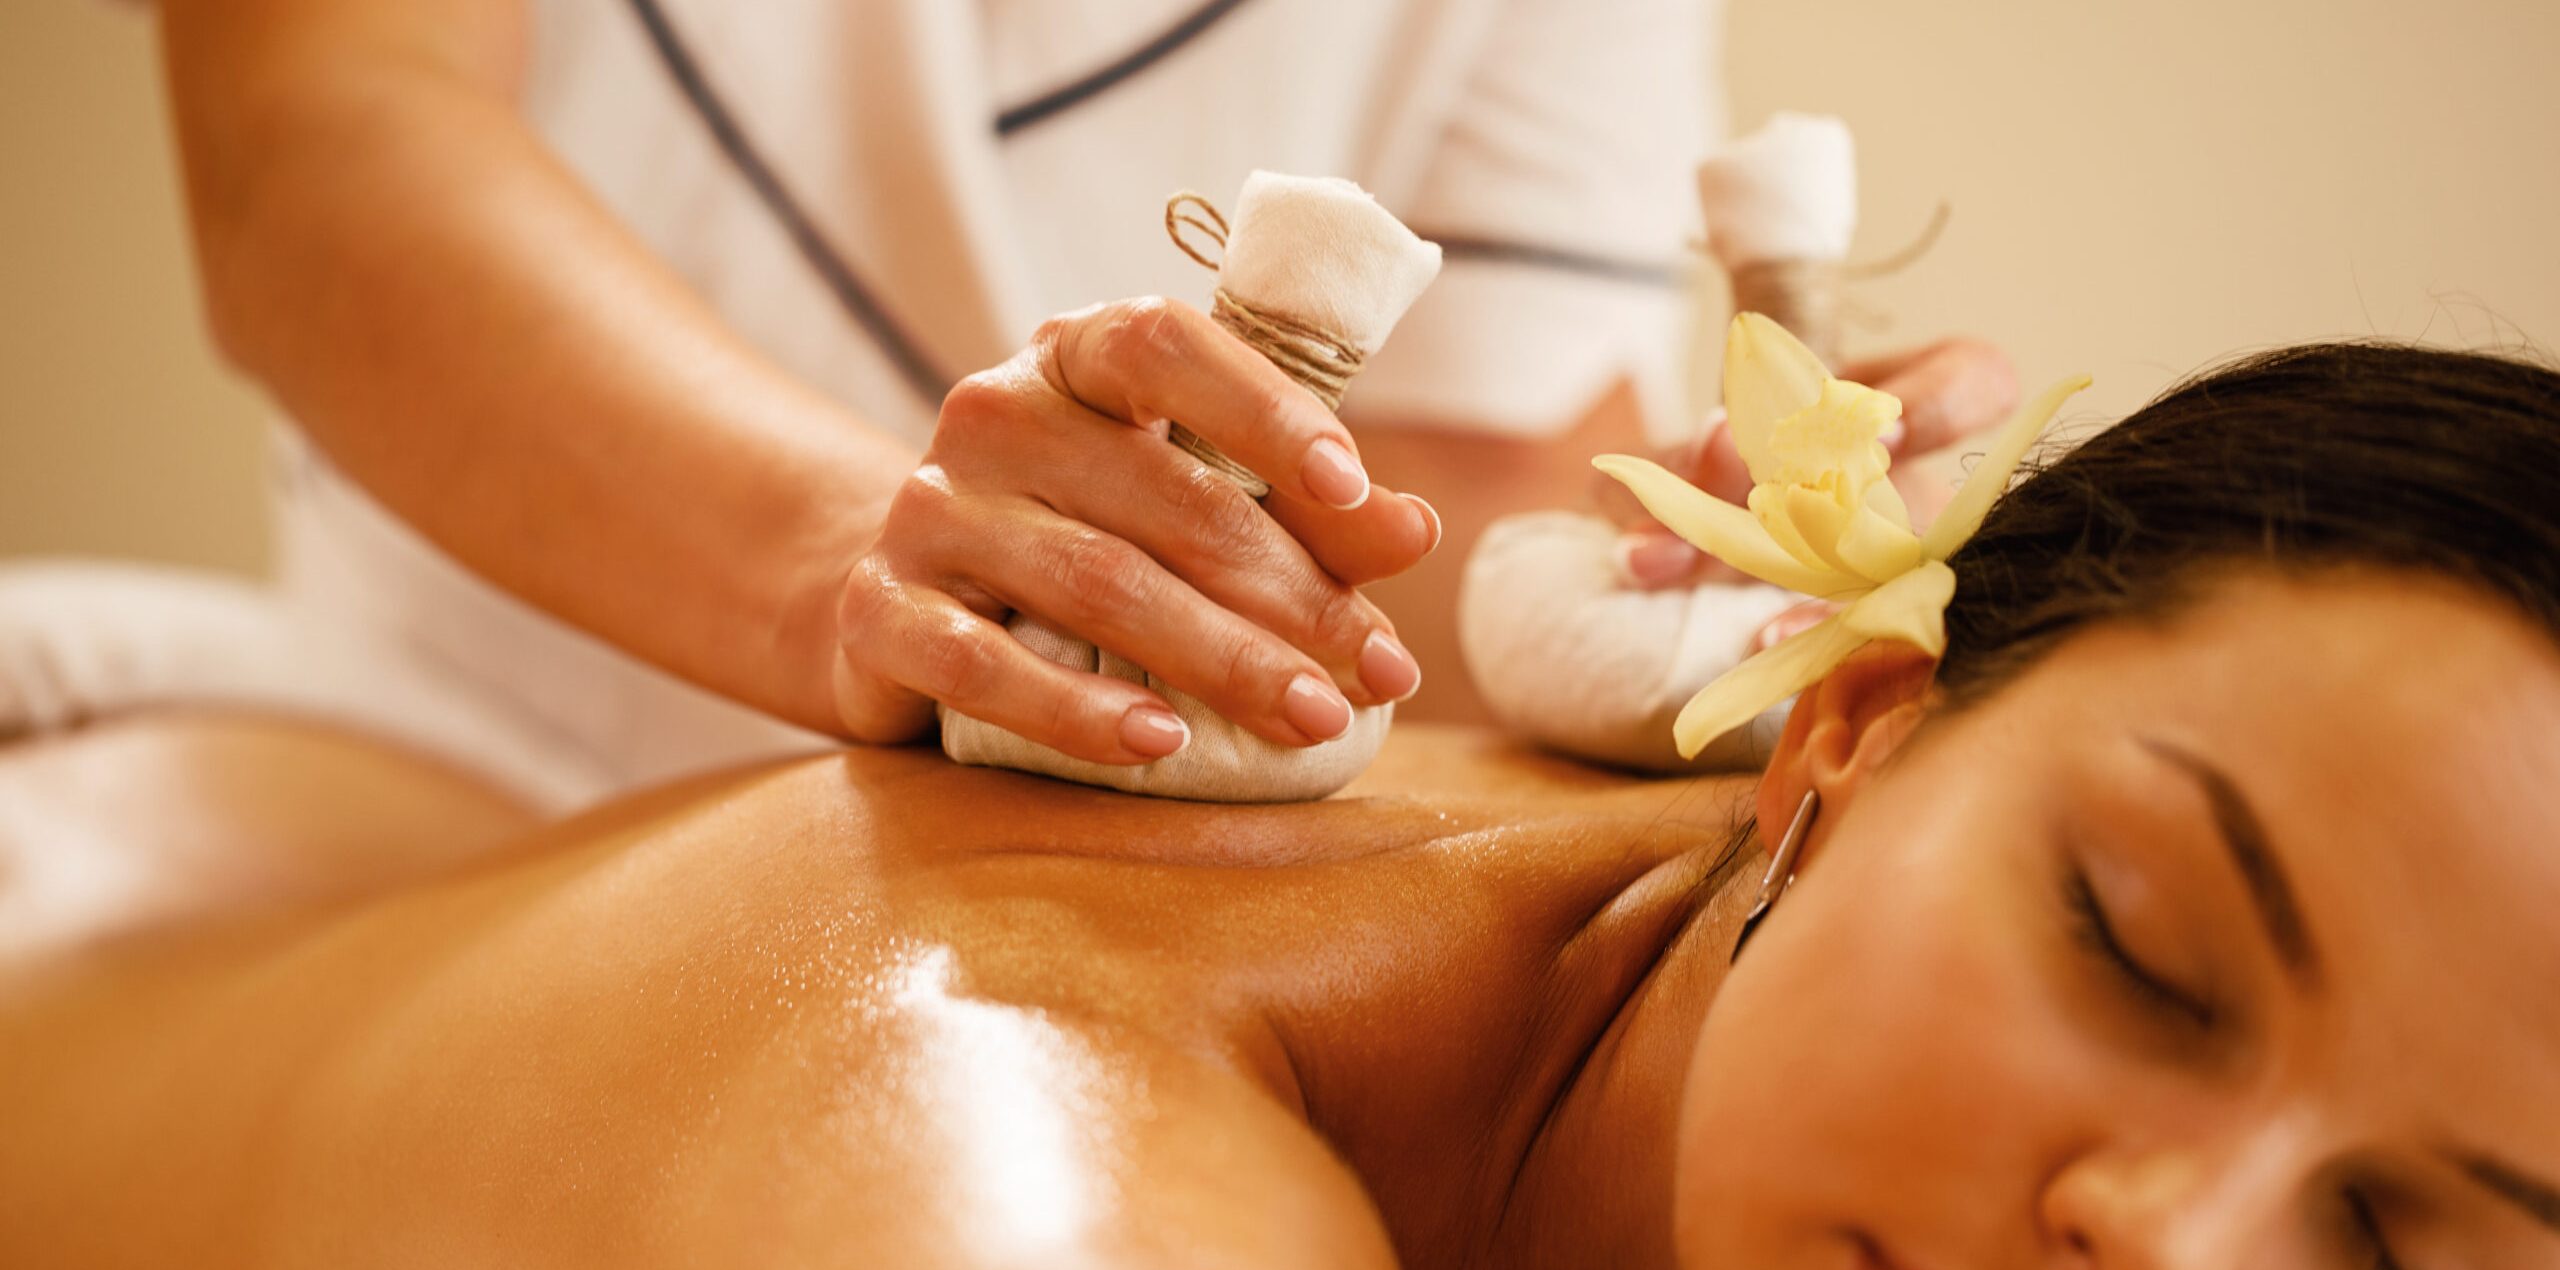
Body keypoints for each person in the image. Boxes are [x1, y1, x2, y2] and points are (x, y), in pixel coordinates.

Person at [8, 340, 2556, 1270]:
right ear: (1851, 734)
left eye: (2417, 1265)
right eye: (2133, 947)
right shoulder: (1001, 1065)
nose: (2158, 1253)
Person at [148, 0, 2016, 797]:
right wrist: (868, 576)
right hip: (422, 763)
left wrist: (1703, 587)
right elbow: (323, 150)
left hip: (1054, 891)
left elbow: (1420, 542)